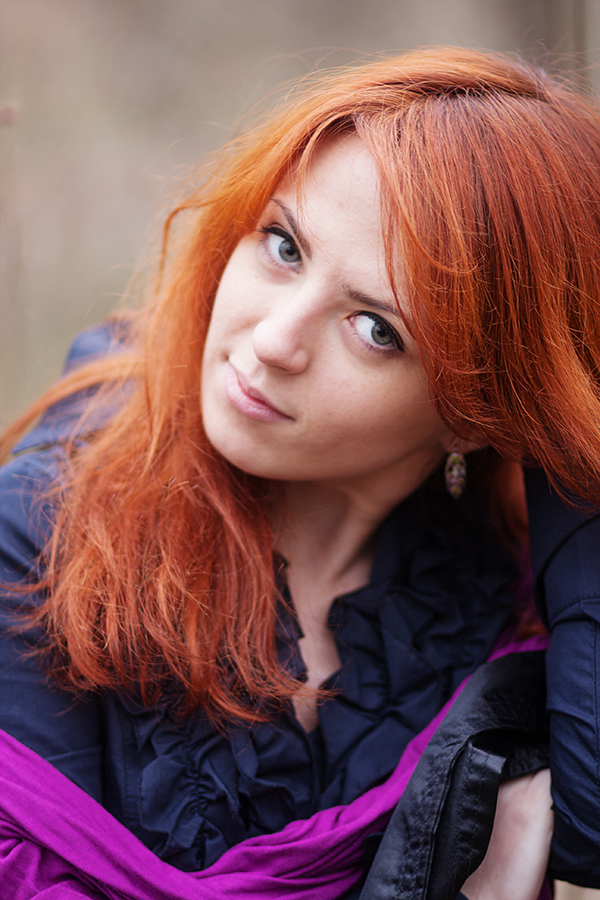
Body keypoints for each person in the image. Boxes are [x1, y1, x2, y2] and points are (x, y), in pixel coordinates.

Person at [1, 44, 599, 897]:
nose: (274, 339)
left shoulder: (496, 612)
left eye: (376, 329)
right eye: (283, 245)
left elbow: (590, 825)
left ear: (479, 408)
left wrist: (573, 448)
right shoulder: (47, 532)